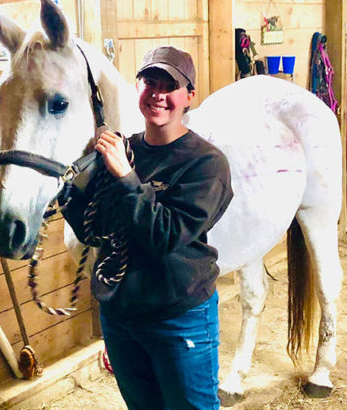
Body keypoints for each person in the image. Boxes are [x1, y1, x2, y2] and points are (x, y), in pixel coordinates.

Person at [61, 46, 233, 409]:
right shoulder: (122, 149)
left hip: (177, 315)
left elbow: (164, 236)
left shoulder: (206, 164)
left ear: (188, 96)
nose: (158, 94)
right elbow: (94, 231)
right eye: (149, 82)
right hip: (121, 315)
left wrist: (124, 175)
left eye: (170, 86)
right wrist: (63, 186)